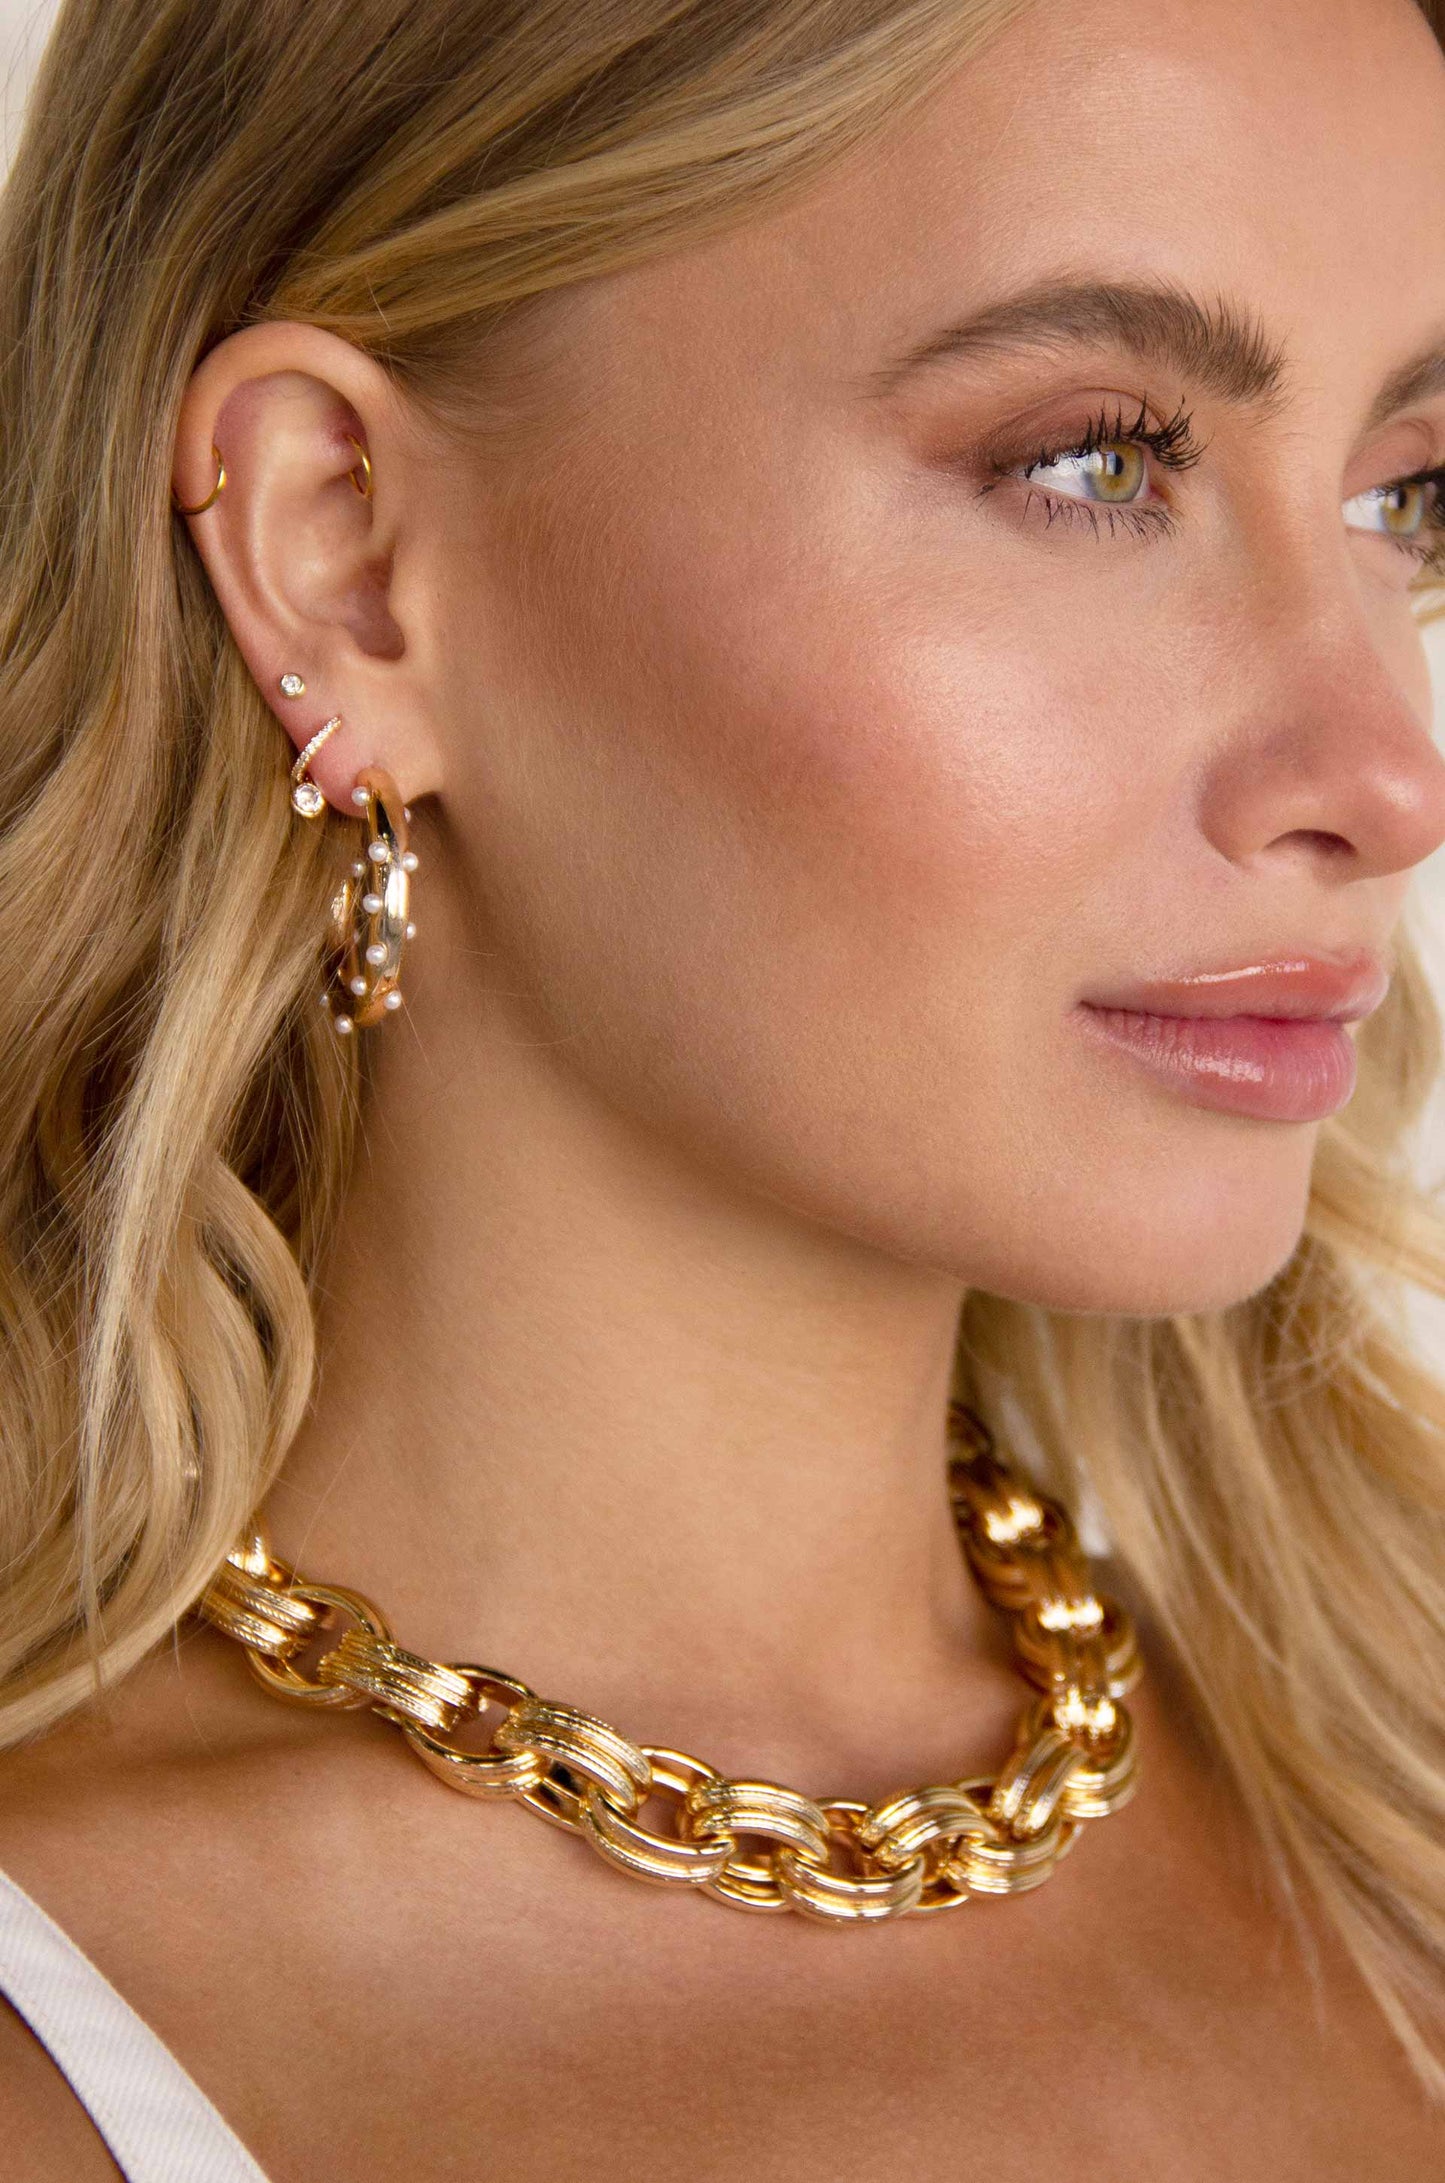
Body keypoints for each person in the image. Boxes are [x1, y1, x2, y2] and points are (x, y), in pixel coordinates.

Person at [0, 0, 1443, 2172]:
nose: (1384, 775)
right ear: (347, 555)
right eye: (1091, 464)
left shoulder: (1401, 1836)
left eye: (1407, 496)